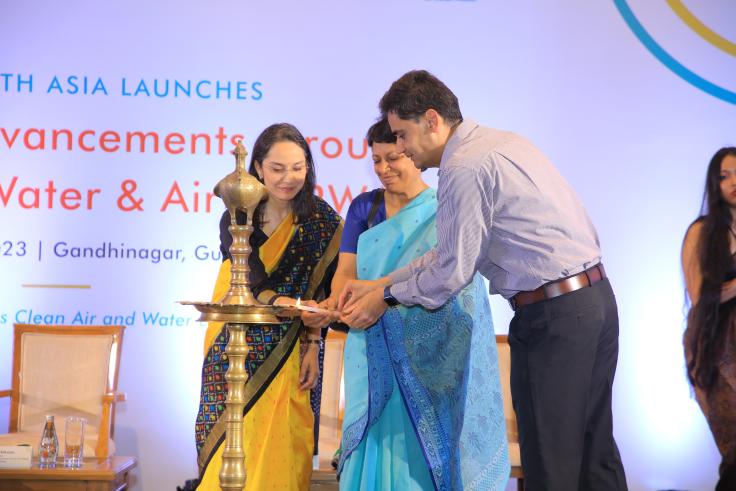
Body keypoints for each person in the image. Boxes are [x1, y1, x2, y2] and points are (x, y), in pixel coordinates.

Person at [339, 70, 627, 490]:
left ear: (433, 120)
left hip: (554, 317)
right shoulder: (502, 142)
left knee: (552, 463)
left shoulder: (463, 167)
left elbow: (451, 272)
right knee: (593, 451)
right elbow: (448, 256)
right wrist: (381, 283)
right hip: (593, 301)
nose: (399, 147)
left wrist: (383, 295)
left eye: (402, 135)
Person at [326, 118, 509, 490]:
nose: (383, 169)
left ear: (411, 154)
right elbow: (346, 273)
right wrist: (339, 301)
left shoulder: (443, 205)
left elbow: (458, 283)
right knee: (374, 440)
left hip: (430, 358)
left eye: (392, 158)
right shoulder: (365, 208)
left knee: (421, 450)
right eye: (375, 160)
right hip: (371, 345)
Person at [194, 123, 343, 490]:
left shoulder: (322, 222)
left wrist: (313, 343)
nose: (288, 178)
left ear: (308, 167)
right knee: (232, 445)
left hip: (294, 349)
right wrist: (290, 303)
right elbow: (251, 283)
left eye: (297, 167)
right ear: (258, 167)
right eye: (277, 168)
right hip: (235, 345)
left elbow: (324, 291)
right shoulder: (237, 213)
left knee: (285, 447)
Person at [681, 147, 736, 490]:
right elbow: (700, 296)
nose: (734, 183)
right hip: (715, 352)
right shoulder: (701, 232)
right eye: (725, 176)